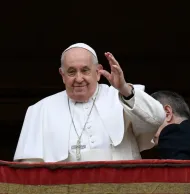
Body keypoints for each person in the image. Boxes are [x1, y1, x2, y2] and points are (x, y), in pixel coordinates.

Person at [13, 43, 165, 163]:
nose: (79, 79)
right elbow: (30, 167)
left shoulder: (122, 96)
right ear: (62, 75)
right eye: (71, 72)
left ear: (98, 72)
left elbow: (158, 118)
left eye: (85, 70)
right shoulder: (41, 109)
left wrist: (124, 88)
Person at [151, 91, 190, 160]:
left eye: (150, 119)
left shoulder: (171, 134)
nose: (147, 128)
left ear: (167, 113)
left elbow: (175, 170)